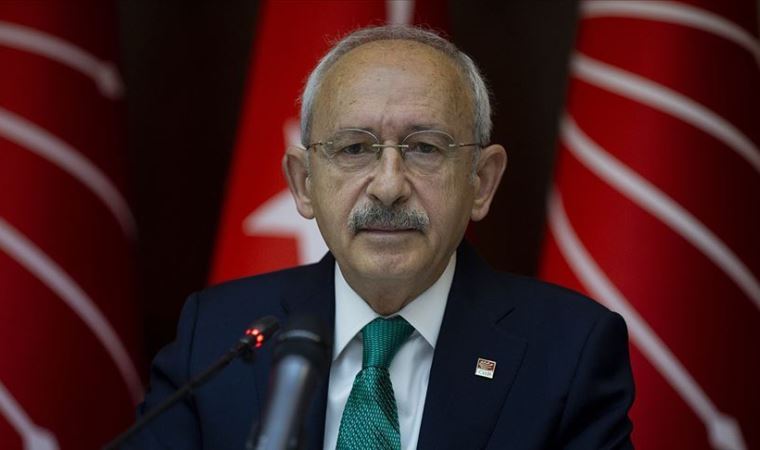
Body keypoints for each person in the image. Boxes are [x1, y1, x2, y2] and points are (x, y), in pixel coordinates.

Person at [128, 25, 634, 450]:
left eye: (425, 148)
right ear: (303, 184)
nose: (389, 187)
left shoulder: (569, 352)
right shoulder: (216, 337)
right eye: (354, 149)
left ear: (481, 181)